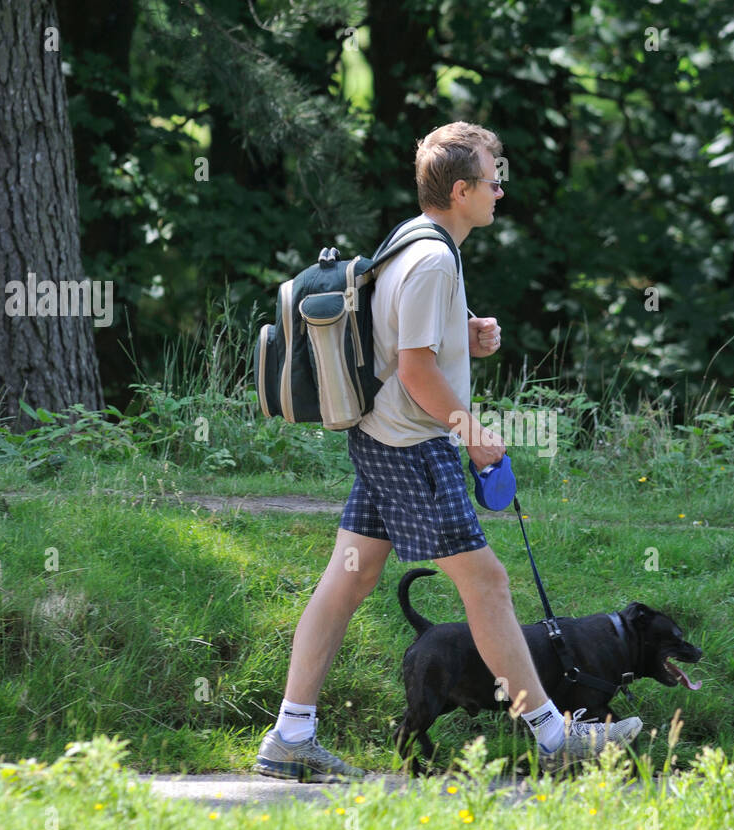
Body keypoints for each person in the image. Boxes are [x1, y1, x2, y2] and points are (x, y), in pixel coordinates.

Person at [255, 121, 642, 780]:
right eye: (493, 177)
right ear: (462, 189)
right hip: (414, 444)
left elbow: (397, 331)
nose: (500, 187)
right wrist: (475, 435)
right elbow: (415, 371)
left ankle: (291, 735)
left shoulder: (414, 240)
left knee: (348, 579)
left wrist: (462, 334)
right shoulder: (435, 257)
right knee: (487, 583)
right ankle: (555, 740)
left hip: (380, 438)